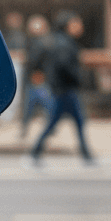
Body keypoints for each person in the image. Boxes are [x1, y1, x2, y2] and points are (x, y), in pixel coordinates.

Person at [29, 12, 95, 163]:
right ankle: (35, 151)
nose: (80, 26)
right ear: (67, 25)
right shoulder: (64, 43)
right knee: (60, 122)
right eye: (76, 23)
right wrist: (78, 78)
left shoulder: (63, 41)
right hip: (65, 90)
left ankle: (85, 154)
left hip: (64, 89)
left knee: (75, 121)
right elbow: (63, 65)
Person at [20, 14, 54, 138]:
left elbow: (35, 61)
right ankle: (26, 130)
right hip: (36, 79)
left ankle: (50, 128)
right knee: (32, 106)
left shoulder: (44, 42)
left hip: (40, 78)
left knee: (45, 104)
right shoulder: (34, 41)